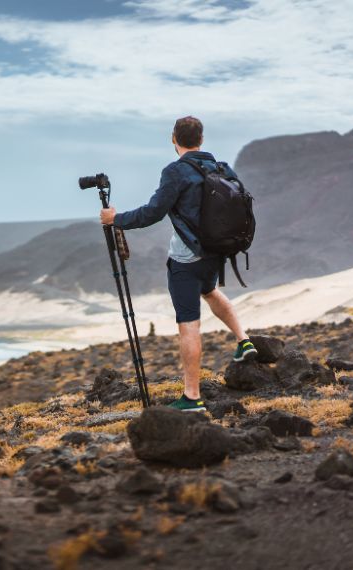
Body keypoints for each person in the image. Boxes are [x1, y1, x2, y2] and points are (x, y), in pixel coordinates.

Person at [99, 116, 257, 412]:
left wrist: (115, 220)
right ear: (201, 139)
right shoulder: (222, 167)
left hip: (186, 260)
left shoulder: (176, 172)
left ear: (174, 139)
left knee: (189, 325)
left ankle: (192, 396)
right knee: (209, 291)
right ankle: (244, 340)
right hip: (217, 251)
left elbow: (152, 213)